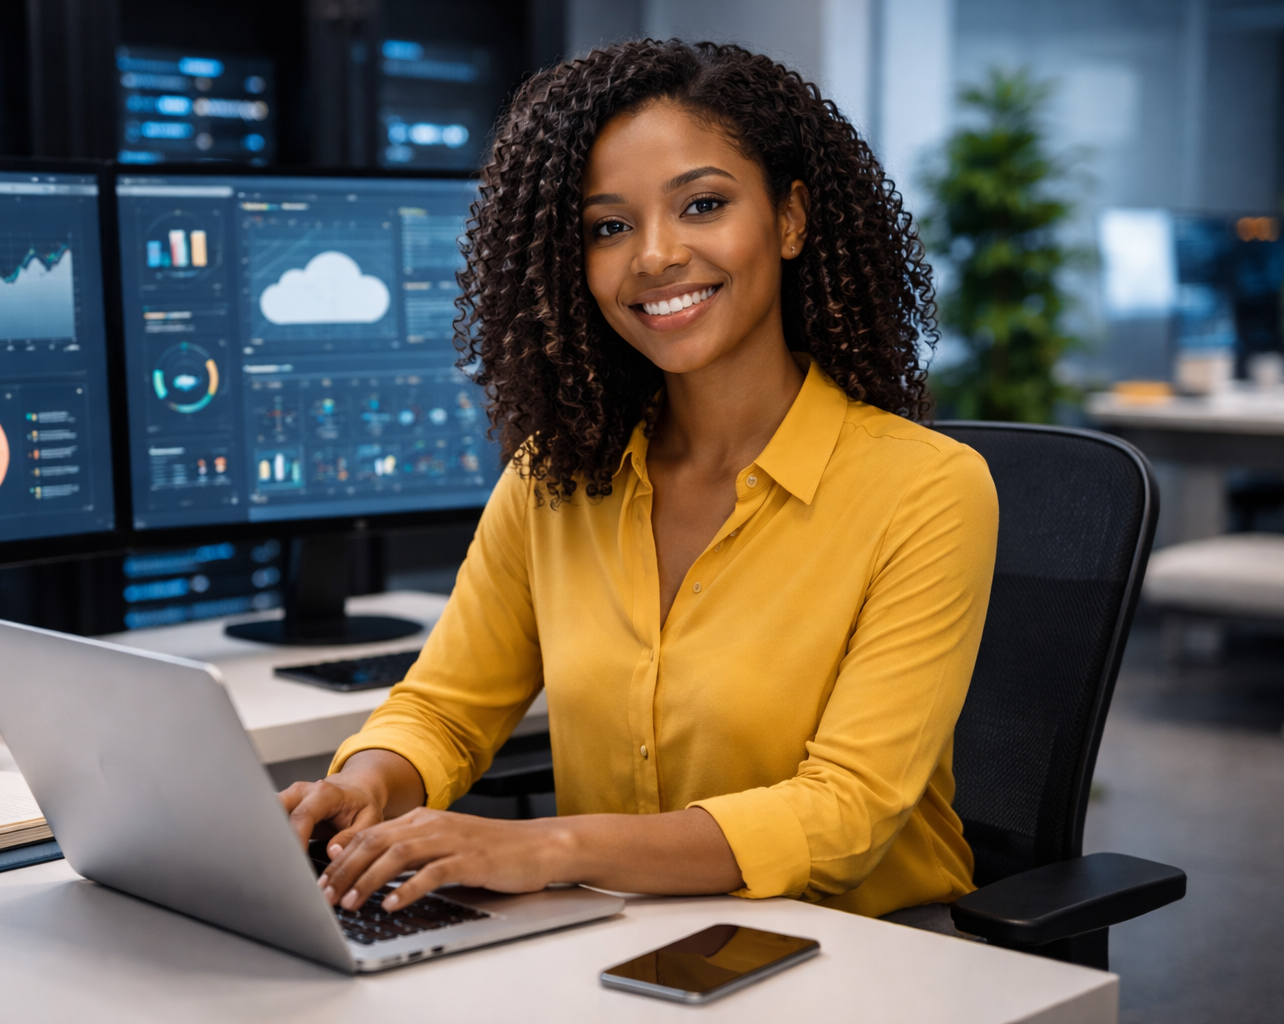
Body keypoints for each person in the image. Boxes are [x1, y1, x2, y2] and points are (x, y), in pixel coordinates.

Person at [282, 39, 998, 921]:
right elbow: (445, 709)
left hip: (864, 952)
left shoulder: (926, 490)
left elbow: (843, 813)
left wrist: (546, 848)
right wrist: (368, 784)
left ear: (791, 219)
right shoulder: (557, 477)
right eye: (609, 227)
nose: (654, 256)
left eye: (702, 205)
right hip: (623, 944)